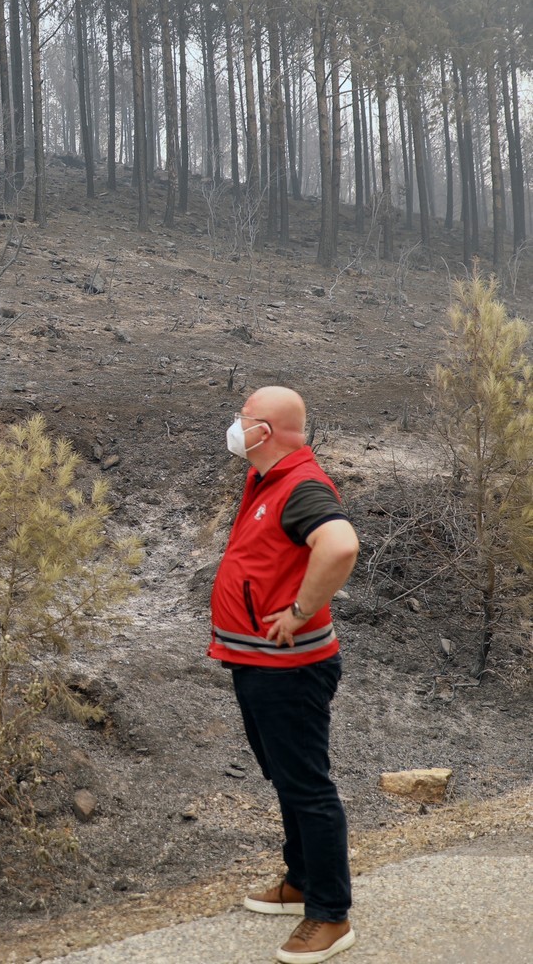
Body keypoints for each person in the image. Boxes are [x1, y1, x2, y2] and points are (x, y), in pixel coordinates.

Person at [209, 386, 360, 964]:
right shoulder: (267, 478)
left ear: (264, 432)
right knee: (287, 777)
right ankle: (301, 881)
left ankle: (330, 914)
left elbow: (340, 545)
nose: (235, 427)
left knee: (308, 786)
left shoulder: (300, 485)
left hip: (290, 670)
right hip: (259, 664)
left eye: (243, 419)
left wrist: (298, 611)